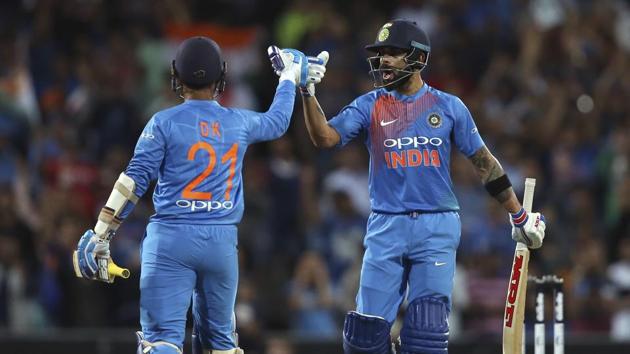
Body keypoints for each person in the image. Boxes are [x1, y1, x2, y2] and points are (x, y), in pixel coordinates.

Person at [299, 19, 547, 353]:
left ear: (417, 57)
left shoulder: (448, 106)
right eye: (381, 54)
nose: (384, 60)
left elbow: (484, 162)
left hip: (437, 225)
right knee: (363, 340)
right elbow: (324, 137)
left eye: (393, 53)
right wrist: (307, 90)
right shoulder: (370, 104)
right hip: (386, 224)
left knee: (426, 336)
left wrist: (519, 217)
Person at [72, 37, 311, 354]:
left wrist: (102, 232)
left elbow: (133, 181)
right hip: (221, 244)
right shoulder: (238, 121)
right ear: (221, 76)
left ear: (175, 75)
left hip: (171, 238)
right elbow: (278, 122)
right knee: (220, 346)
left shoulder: (163, 122)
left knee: (161, 340)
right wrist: (287, 77)